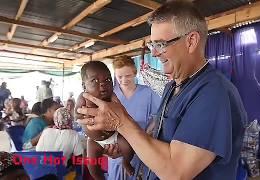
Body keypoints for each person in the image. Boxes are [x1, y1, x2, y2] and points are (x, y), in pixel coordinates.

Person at [77, 1, 247, 180]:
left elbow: (177, 172)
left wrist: (122, 122)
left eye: (161, 44)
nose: (155, 54)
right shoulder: (172, 86)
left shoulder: (212, 93)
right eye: (153, 45)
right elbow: (159, 139)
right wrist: (128, 147)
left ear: (191, 41)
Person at [75, 61, 134, 180]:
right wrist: (81, 115)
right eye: (95, 81)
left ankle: (126, 162)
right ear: (84, 86)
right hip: (94, 141)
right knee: (91, 164)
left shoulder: (112, 96)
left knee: (128, 147)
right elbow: (77, 114)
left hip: (115, 135)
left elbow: (120, 112)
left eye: (107, 80)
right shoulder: (83, 97)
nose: (102, 84)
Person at [108, 56, 161, 180]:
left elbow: (158, 116)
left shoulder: (148, 93)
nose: (124, 80)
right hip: (117, 152)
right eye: (119, 77)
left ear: (134, 73)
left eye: (128, 75)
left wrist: (147, 133)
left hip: (141, 150)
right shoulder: (111, 95)